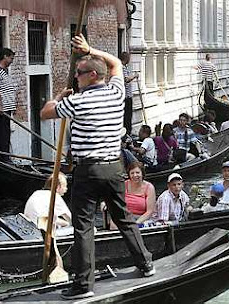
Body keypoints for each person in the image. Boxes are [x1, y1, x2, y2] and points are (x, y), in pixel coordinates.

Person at [40, 34, 154, 300]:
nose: (75, 77)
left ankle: (83, 286)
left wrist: (59, 96)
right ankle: (146, 264)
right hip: (114, 168)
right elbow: (114, 63)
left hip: (88, 171)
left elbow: (45, 113)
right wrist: (91, 49)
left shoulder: (76, 102)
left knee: (83, 227)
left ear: (91, 75)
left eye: (79, 74)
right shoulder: (116, 93)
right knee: (124, 218)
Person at [0, 48, 17, 162]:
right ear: (5, 56)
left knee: (1, 133)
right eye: (11, 58)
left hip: (7, 108)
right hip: (2, 109)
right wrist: (0, 105)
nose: (12, 61)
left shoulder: (5, 71)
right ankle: (5, 159)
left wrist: (13, 106)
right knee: (4, 134)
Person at [119, 52, 138, 135]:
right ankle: (127, 133)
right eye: (129, 58)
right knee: (126, 116)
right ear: (126, 58)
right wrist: (134, 76)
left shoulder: (125, 67)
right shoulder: (121, 67)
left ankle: (128, 132)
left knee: (128, 116)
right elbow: (126, 79)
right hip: (125, 97)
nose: (130, 60)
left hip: (128, 96)